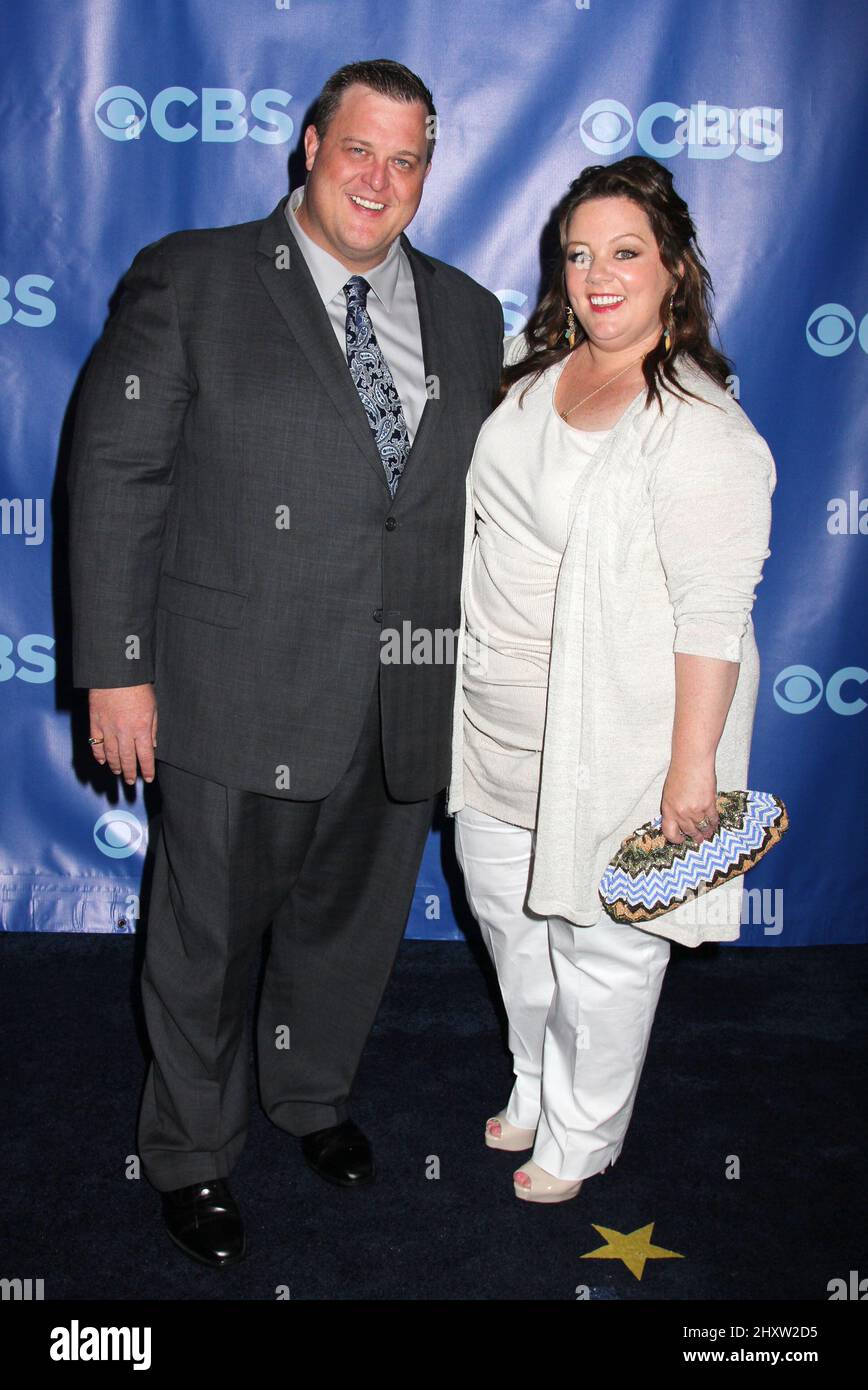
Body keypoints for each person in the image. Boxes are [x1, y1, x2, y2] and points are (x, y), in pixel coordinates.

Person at [67, 59, 503, 1265]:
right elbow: (117, 477)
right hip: (232, 682)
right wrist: (116, 667)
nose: (379, 178)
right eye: (357, 149)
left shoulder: (468, 313)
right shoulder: (193, 278)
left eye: (405, 158)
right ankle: (192, 1155)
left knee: (348, 930)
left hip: (408, 685)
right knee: (205, 941)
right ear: (307, 147)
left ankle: (310, 1097)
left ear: (426, 173)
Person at [446, 155, 776, 1203]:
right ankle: (538, 1079)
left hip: (614, 741)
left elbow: (713, 612)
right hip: (492, 725)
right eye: (578, 254)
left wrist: (691, 771)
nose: (597, 274)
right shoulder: (536, 371)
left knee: (603, 948)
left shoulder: (699, 428)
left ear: (673, 269)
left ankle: (585, 1134)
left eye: (625, 252)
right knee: (511, 926)